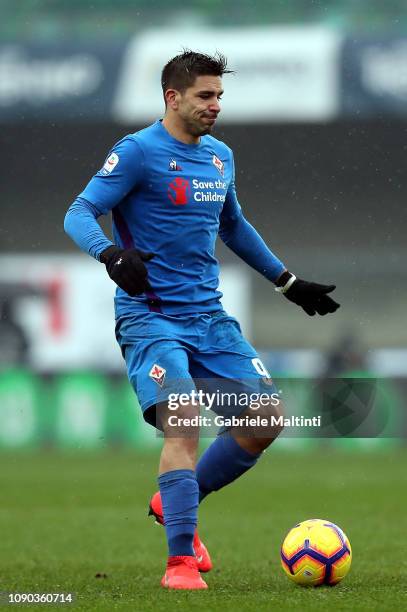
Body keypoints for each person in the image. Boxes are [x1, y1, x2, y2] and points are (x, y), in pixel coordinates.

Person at [64, 50, 340, 590]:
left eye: (219, 96)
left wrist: (287, 281)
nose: (216, 105)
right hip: (151, 318)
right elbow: (78, 212)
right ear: (173, 97)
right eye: (205, 96)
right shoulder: (138, 152)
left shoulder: (219, 157)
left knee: (264, 420)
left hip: (208, 318)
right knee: (184, 418)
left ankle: (174, 500)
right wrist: (109, 255)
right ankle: (180, 564)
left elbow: (233, 225)